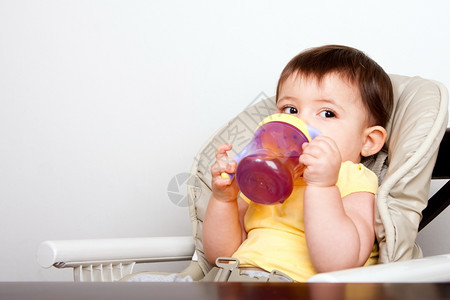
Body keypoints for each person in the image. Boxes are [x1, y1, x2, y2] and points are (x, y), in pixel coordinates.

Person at [202, 45, 394, 282]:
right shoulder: (265, 174)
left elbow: (338, 263)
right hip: (231, 279)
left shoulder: (353, 178)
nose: (300, 121)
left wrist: (323, 186)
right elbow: (219, 254)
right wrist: (224, 200)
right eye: (290, 109)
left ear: (368, 141)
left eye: (327, 113)